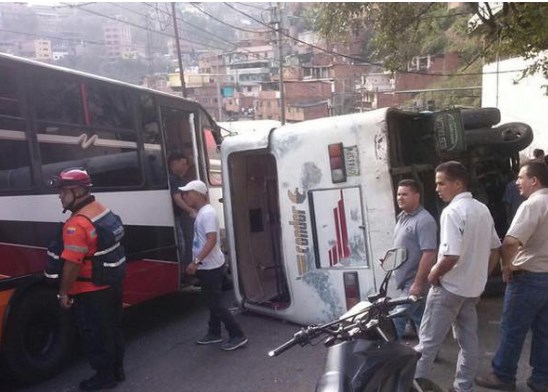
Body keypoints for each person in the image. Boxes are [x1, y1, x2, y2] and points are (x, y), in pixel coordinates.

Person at [414, 161, 501, 392]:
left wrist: (433, 273)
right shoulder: (482, 209)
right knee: (468, 342)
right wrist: (481, 276)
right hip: (471, 290)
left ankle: (413, 386)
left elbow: (451, 255)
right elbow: (495, 249)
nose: (437, 188)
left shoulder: (452, 211)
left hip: (449, 288)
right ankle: (463, 388)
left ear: (458, 184)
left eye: (441, 183)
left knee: (427, 345)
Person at [475, 160, 548, 392]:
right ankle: (541, 378)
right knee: (544, 331)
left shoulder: (532, 205)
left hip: (527, 277)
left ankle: (503, 374)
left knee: (513, 328)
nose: (517, 182)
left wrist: (506, 266)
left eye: (521, 177)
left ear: (534, 180)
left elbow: (510, 242)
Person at [52, 168, 125, 391]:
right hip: (112, 282)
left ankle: (104, 377)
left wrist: (64, 292)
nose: (60, 197)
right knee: (112, 329)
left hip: (90, 289)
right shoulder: (101, 209)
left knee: (95, 334)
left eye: (63, 192)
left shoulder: (76, 224)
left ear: (78, 191)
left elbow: (73, 263)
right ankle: (117, 370)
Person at [180, 180, 248, 351]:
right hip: (208, 265)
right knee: (212, 302)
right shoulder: (203, 213)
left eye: (188, 193)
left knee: (214, 303)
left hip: (209, 266)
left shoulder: (208, 214)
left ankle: (237, 335)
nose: (184, 196)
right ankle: (214, 333)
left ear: (198, 194)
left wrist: (196, 262)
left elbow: (211, 240)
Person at [392, 179, 438, 340]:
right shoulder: (403, 217)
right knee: (420, 318)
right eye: (398, 194)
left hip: (414, 282)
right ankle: (431, 352)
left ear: (416, 196)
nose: (400, 198)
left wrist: (418, 284)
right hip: (405, 281)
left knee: (396, 318)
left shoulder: (425, 221)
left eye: (405, 194)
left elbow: (429, 253)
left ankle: (389, 359)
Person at [168, 152, 196, 272]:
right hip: (175, 217)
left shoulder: (177, 178)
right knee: (182, 244)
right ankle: (184, 273)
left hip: (177, 216)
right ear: (174, 164)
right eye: (183, 164)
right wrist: (191, 210)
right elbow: (177, 199)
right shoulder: (173, 178)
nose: (186, 167)